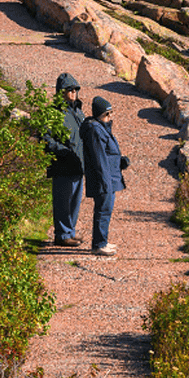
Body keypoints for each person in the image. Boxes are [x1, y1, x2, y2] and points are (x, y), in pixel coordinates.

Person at [80, 96, 129, 256]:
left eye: (111, 113)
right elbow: (99, 158)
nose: (110, 117)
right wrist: (105, 181)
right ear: (99, 115)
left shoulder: (102, 127)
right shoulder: (95, 129)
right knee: (103, 210)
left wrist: (119, 162)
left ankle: (103, 241)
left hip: (109, 177)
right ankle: (99, 244)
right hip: (103, 179)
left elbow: (108, 154)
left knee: (106, 210)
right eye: (107, 114)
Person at [44, 73, 85, 247]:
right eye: (70, 89)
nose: (74, 92)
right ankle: (61, 235)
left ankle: (70, 232)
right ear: (61, 92)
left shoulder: (79, 112)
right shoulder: (53, 113)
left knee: (75, 202)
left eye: (76, 89)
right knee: (62, 201)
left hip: (79, 165)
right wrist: (62, 152)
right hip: (62, 165)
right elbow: (46, 138)